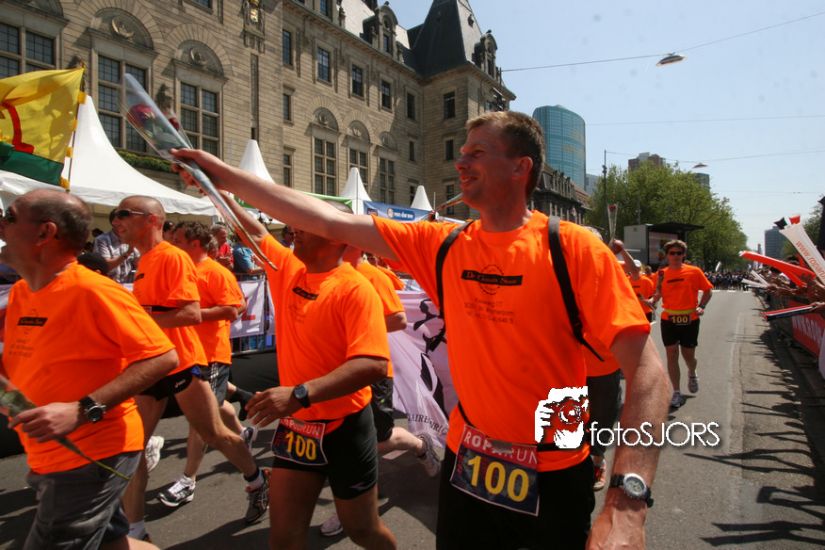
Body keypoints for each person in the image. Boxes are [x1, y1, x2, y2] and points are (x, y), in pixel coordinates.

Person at [172, 110, 671, 549]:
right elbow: (326, 218)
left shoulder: (573, 247)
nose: (461, 162)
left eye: (478, 153)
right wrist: (221, 176)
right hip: (467, 462)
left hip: (556, 464)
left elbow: (650, 376)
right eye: (462, 152)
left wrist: (628, 505)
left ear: (521, 168)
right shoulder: (443, 244)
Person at [0, 189, 178, 550]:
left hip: (93, 453)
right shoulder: (21, 293)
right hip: (50, 454)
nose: (1, 225)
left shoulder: (94, 290)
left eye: (10, 217)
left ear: (45, 232)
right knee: (113, 545)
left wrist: (83, 409)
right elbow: (27, 363)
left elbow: (162, 357)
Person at [223, 195, 396, 549]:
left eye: (307, 223)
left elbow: (373, 364)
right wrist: (220, 193)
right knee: (283, 539)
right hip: (297, 427)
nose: (294, 228)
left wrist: (299, 393)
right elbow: (254, 233)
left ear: (337, 235)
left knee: (363, 531)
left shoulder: (355, 288)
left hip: (345, 427)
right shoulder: (288, 268)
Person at [114, 196, 269, 541]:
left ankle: (257, 480)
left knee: (212, 433)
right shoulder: (145, 260)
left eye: (123, 213)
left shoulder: (172, 257)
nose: (116, 220)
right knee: (132, 447)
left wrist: (137, 319)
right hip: (151, 362)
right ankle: (135, 531)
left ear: (152, 220)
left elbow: (190, 313)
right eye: (114, 214)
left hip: (183, 361)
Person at [319, 241, 440, 537]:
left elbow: (398, 319)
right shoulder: (329, 274)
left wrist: (353, 326)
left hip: (372, 372)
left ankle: (418, 447)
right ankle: (354, 505)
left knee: (375, 439)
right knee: (344, 441)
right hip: (338, 371)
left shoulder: (374, 276)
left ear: (352, 244)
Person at [158, 221, 254, 507]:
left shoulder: (216, 272)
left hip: (210, 354)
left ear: (195, 243)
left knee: (199, 420)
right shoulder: (180, 270)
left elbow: (234, 309)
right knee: (212, 407)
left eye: (178, 240)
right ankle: (243, 432)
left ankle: (188, 480)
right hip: (182, 354)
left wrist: (191, 314)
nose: (173, 244)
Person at [652, 239, 714, 409]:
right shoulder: (661, 274)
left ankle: (692, 372)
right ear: (667, 255)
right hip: (669, 319)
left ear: (684, 255)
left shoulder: (694, 271)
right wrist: (652, 300)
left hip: (690, 319)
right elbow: (657, 293)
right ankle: (676, 392)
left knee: (688, 356)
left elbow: (708, 290)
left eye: (679, 253)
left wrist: (702, 306)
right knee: (671, 354)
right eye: (672, 253)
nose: (676, 256)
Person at [94, 208, 140, 283]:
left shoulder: (130, 238)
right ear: (114, 222)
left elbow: (138, 264)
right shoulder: (102, 240)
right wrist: (128, 252)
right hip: (109, 286)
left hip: (128, 286)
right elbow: (105, 266)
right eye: (123, 220)